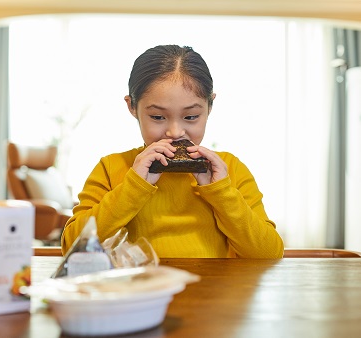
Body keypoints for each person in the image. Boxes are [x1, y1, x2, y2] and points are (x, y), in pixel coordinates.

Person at [61, 45, 284, 258]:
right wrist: (133, 187)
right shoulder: (112, 168)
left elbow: (268, 253)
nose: (175, 132)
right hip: (138, 293)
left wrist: (221, 191)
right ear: (132, 107)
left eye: (191, 117)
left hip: (214, 294)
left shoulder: (229, 169)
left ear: (210, 106)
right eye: (158, 117)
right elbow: (72, 247)